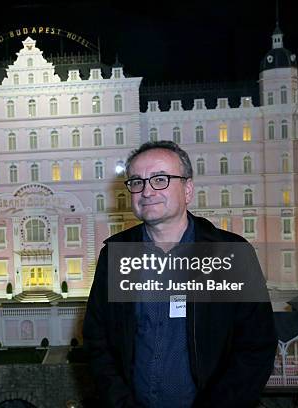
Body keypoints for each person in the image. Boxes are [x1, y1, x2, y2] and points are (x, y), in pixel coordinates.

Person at [83, 141, 277, 407]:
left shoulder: (231, 254)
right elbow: (98, 340)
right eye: (137, 182)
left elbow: (256, 346)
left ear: (187, 190)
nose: (147, 191)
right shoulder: (114, 255)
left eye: (160, 179)